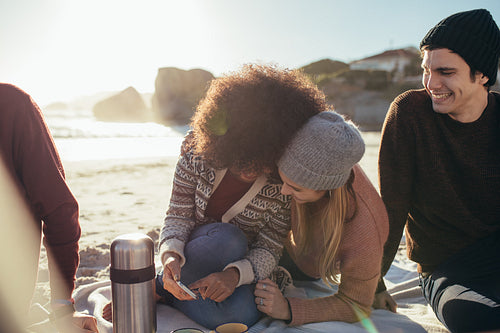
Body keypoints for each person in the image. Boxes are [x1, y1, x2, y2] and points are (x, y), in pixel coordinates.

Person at [104, 64, 328, 329]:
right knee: (228, 237)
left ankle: (170, 293)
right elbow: (177, 216)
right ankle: (163, 285)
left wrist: (233, 275)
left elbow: (269, 247)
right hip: (199, 249)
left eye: (262, 160)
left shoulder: (283, 186)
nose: (249, 168)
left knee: (242, 315)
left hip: (236, 265)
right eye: (243, 156)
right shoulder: (195, 156)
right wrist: (171, 257)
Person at [373, 8, 500, 333]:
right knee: (472, 318)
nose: (431, 84)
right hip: (445, 265)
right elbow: (391, 205)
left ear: (482, 74)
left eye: (445, 72)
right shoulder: (409, 114)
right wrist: (374, 282)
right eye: (426, 70)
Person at [253, 111, 389, 326]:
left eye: (296, 187)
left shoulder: (363, 232)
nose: (284, 191)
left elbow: (357, 306)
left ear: (327, 190)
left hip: (307, 265)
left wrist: (288, 309)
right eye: (283, 177)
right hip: (277, 240)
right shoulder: (322, 145)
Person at [0, 83, 99, 332]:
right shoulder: (12, 104)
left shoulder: (11, 105)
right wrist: (62, 308)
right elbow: (60, 213)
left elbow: (60, 213)